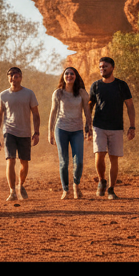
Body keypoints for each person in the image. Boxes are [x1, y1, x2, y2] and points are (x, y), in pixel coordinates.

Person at [88, 56, 135, 199]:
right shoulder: (96, 86)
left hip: (116, 127)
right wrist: (87, 125)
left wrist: (132, 126)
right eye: (100, 67)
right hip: (99, 126)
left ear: (112, 68)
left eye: (105, 66)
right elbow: (89, 106)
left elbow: (130, 106)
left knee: (114, 159)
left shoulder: (121, 85)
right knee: (99, 154)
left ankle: (111, 189)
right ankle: (102, 180)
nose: (102, 69)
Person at [0, 67, 40, 201]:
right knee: (10, 159)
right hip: (9, 131)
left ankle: (20, 185)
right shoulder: (3, 95)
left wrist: (36, 132)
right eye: (11, 75)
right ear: (8, 78)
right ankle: (12, 191)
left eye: (17, 75)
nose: (14, 78)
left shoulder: (29, 94)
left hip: (25, 132)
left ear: (21, 77)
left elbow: (35, 114)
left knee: (24, 162)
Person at [47, 66, 91, 198]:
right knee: (64, 161)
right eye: (67, 74)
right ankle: (65, 189)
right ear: (63, 76)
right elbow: (53, 113)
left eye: (72, 74)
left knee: (79, 161)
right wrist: (50, 132)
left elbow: (87, 112)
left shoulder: (82, 93)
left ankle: (76, 186)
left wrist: (88, 127)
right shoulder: (58, 93)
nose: (69, 76)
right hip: (61, 129)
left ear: (75, 76)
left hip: (77, 130)